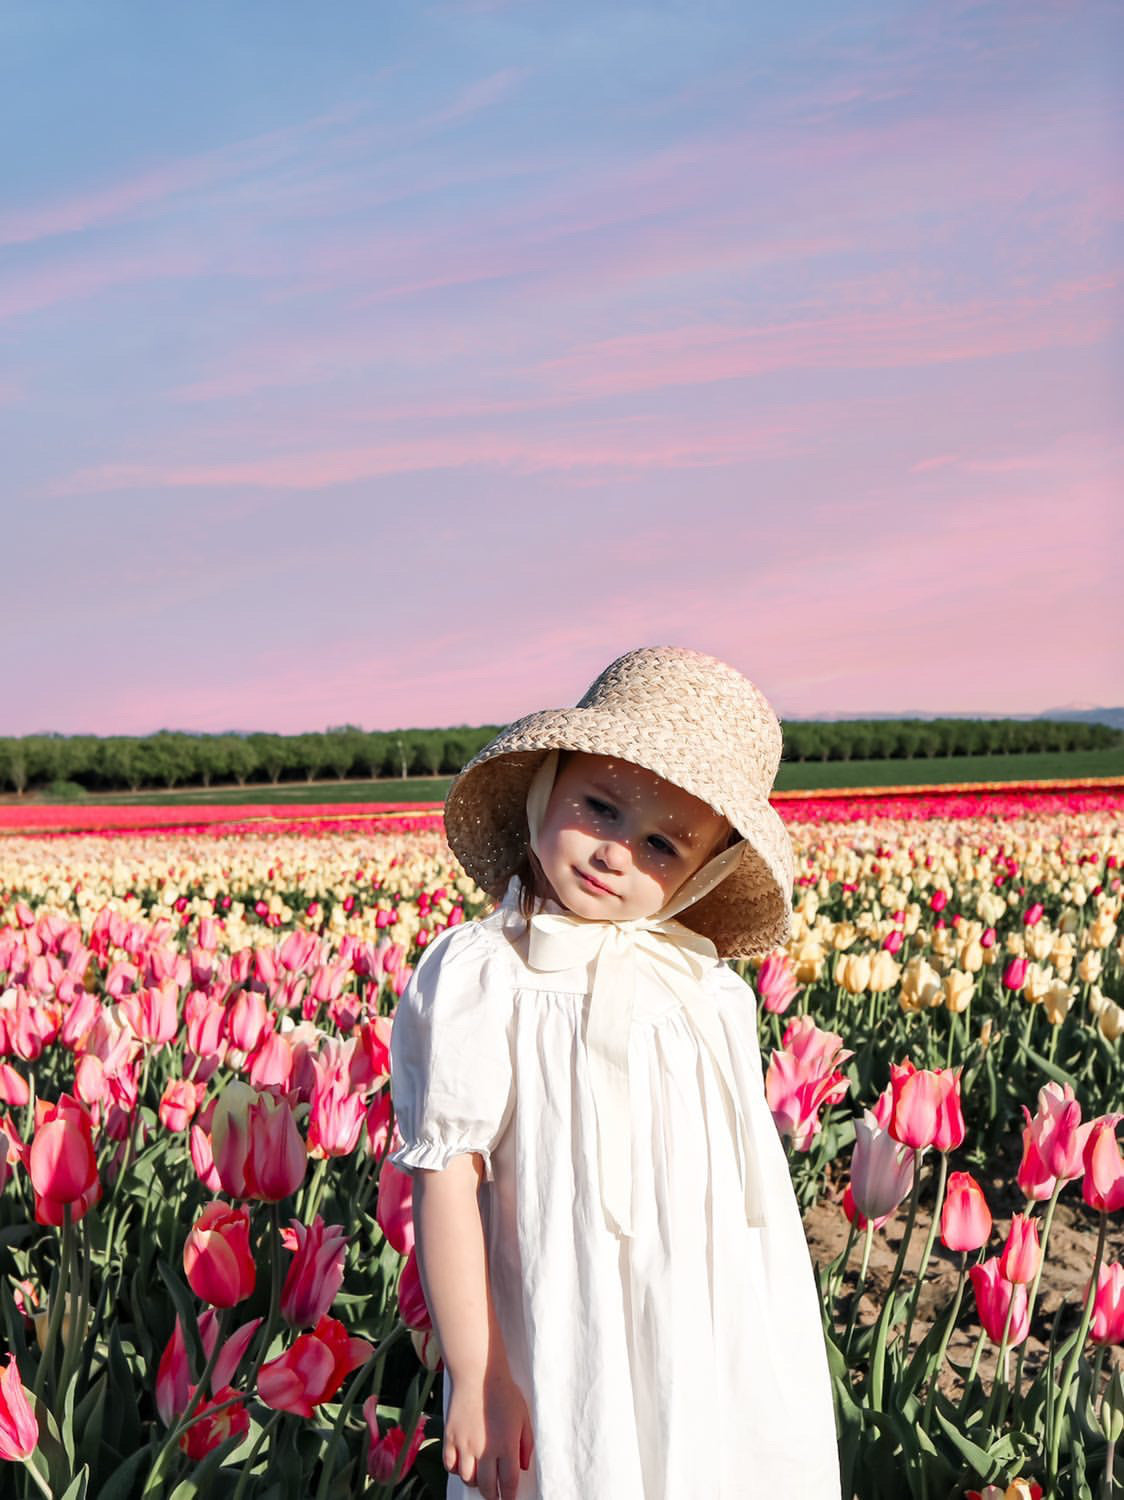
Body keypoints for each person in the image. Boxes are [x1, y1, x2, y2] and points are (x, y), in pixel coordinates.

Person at [389, 647, 842, 1499]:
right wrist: (480, 1375)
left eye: (662, 843)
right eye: (600, 806)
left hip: (711, 1332)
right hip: (561, 1327)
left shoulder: (709, 992)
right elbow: (446, 1180)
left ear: (702, 870)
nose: (617, 853)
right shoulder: (486, 975)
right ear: (545, 785)